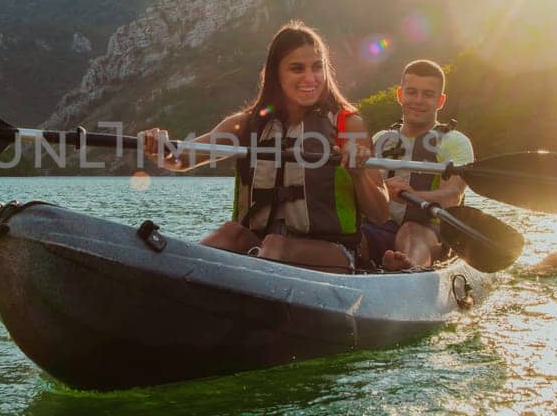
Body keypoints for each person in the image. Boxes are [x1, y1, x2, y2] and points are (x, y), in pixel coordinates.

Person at [138, 22, 388, 272]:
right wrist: (159, 148)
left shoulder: (348, 125)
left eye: (317, 67)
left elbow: (380, 213)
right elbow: (181, 160)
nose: (310, 78)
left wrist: (359, 174)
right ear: (276, 74)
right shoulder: (245, 125)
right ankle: (179, 277)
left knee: (276, 247)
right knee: (230, 234)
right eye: (296, 69)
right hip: (264, 249)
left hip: (333, 254)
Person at [361, 60, 475, 271]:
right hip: (380, 226)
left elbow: (452, 196)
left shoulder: (455, 142)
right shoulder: (380, 139)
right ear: (399, 95)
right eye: (411, 92)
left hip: (430, 231)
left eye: (428, 95)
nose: (418, 100)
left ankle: (407, 268)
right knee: (352, 234)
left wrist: (414, 194)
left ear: (440, 101)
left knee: (411, 230)